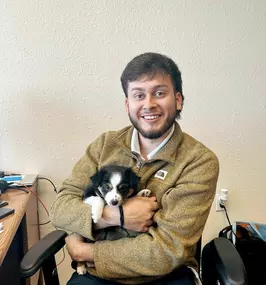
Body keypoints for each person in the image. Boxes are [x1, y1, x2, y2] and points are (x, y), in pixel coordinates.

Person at [50, 52, 219, 285]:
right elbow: (60, 209)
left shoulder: (198, 162)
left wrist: (86, 253)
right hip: (97, 277)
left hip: (164, 277)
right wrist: (116, 216)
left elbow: (168, 251)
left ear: (178, 99)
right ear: (128, 104)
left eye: (159, 93)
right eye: (139, 95)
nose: (149, 104)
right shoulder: (104, 146)